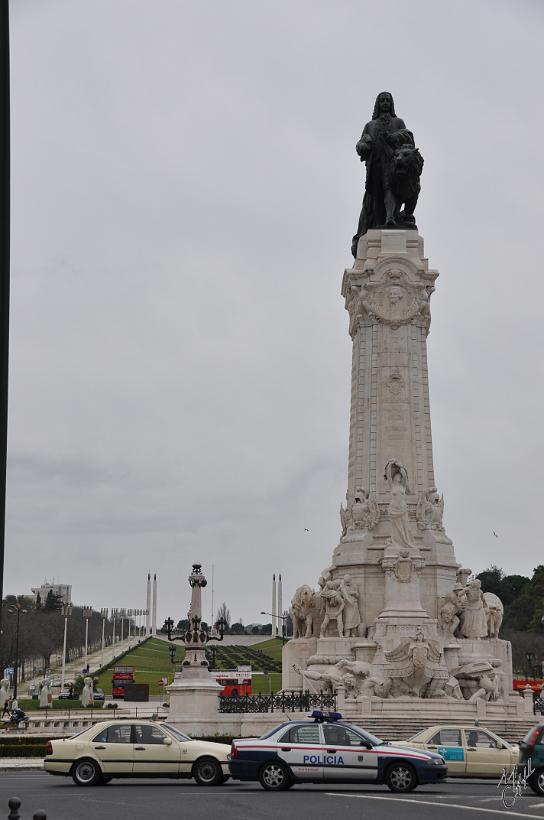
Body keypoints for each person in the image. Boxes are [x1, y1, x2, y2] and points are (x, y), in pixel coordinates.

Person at [351, 91, 415, 255]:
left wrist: (393, 137)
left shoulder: (398, 122)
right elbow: (361, 143)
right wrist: (363, 145)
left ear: (391, 104)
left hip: (393, 165)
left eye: (388, 100)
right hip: (375, 166)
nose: (385, 103)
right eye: (382, 100)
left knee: (391, 191)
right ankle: (381, 223)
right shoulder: (370, 125)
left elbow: (408, 138)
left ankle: (390, 219)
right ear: (378, 104)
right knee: (376, 197)